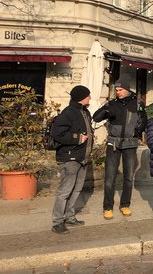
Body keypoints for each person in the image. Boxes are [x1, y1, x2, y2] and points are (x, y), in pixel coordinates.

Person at [93, 74, 147, 220]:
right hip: (114, 144)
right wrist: (106, 108)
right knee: (109, 178)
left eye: (120, 89)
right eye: (116, 90)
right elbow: (96, 117)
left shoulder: (137, 103)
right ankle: (108, 207)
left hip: (130, 144)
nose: (118, 92)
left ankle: (125, 205)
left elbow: (144, 120)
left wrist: (136, 133)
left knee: (128, 177)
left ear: (127, 89)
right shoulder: (112, 104)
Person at [50, 85, 94, 234]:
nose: (90, 98)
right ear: (81, 97)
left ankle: (69, 216)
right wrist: (77, 138)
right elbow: (57, 133)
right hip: (70, 158)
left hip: (82, 158)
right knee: (64, 192)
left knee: (76, 190)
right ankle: (57, 222)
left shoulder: (85, 112)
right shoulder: (68, 112)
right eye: (88, 95)